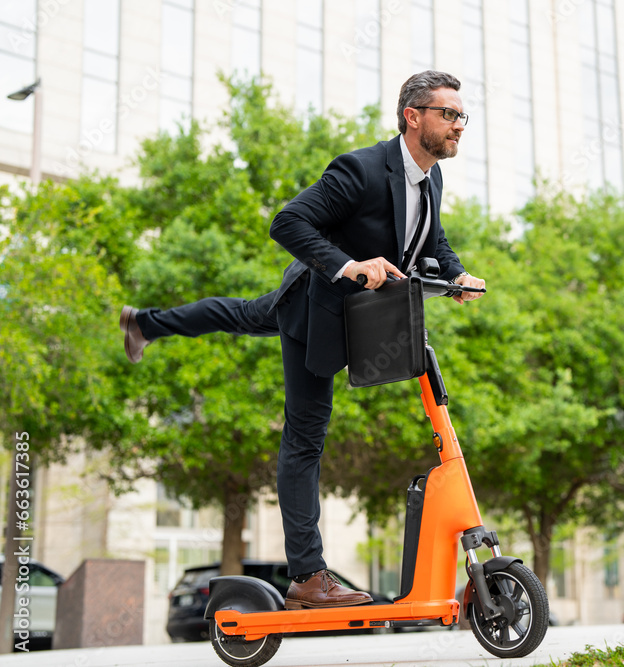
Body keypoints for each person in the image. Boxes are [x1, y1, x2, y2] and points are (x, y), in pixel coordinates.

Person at [119, 70, 486, 608]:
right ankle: (308, 576)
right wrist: (350, 265)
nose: (459, 125)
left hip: (359, 318)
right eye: (449, 114)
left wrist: (456, 275)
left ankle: (144, 323)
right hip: (315, 313)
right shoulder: (360, 169)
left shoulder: (428, 179)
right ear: (413, 117)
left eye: (462, 117)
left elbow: (433, 239)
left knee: (241, 313)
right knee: (305, 438)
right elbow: (287, 223)